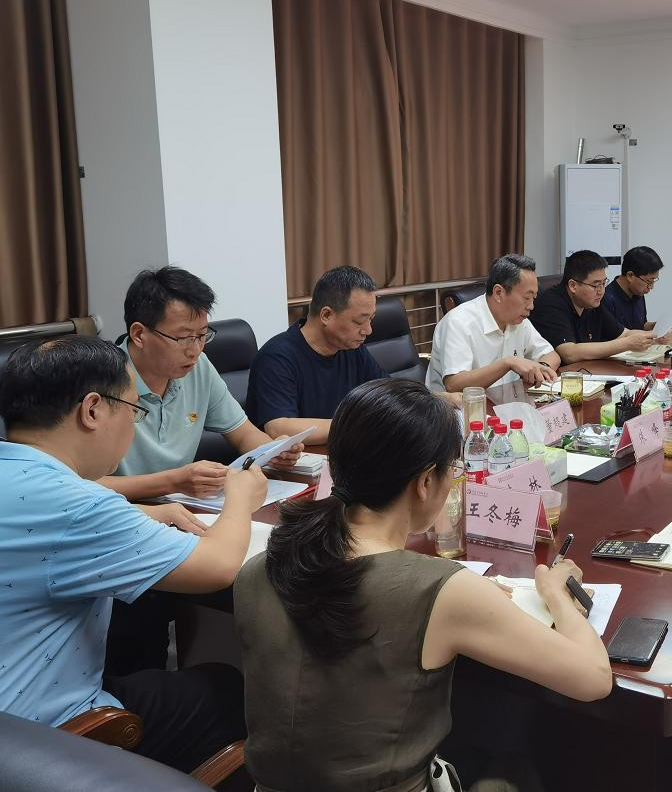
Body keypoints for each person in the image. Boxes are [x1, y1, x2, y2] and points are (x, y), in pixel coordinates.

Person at [235, 379, 612, 792]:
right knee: (515, 770)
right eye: (454, 468)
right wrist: (557, 595)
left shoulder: (258, 567)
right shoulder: (442, 591)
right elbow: (593, 679)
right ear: (425, 482)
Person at [0, 336, 265, 772]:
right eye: (133, 410)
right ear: (92, 410)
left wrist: (147, 512)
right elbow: (219, 565)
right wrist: (241, 497)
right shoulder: (79, 505)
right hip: (35, 738)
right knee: (224, 689)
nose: (132, 425)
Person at [100, 266, 300, 502]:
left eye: (202, 335)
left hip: (184, 506)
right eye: (183, 337)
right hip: (121, 511)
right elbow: (78, 485)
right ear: (139, 334)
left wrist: (274, 452)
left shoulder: (199, 367)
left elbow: (244, 434)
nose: (195, 350)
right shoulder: (99, 380)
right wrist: (173, 482)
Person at [246, 265, 388, 447]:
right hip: (292, 461)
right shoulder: (277, 357)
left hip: (341, 452)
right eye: (359, 321)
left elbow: (387, 395)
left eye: (371, 319)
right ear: (326, 315)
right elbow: (279, 427)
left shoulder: (351, 348)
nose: (368, 330)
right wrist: (355, 425)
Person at [426, 253, 562, 392]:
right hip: (459, 404)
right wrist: (508, 363)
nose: (531, 306)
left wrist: (540, 369)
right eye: (527, 298)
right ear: (498, 292)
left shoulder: (519, 320)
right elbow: (454, 384)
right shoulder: (458, 322)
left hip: (507, 400)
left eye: (534, 298)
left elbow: (552, 355)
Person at [530, 249, 657, 363]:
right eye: (596, 285)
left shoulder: (592, 303)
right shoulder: (551, 304)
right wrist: (626, 344)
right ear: (573, 286)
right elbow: (569, 353)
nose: (601, 291)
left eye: (603, 283)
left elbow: (624, 334)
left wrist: (654, 336)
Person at [602, 245, 664, 331]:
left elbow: (641, 325)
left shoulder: (638, 293)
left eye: (653, 281)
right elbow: (611, 337)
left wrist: (658, 326)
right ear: (630, 276)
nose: (651, 287)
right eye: (649, 281)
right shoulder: (606, 300)